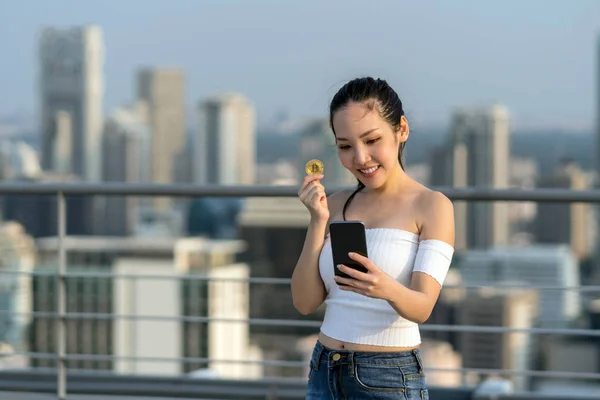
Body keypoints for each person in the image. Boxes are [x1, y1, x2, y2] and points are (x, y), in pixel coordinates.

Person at [292, 77, 455, 400]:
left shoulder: (432, 206)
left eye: (371, 140)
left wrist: (384, 287)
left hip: (388, 375)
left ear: (402, 130)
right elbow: (305, 302)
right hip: (325, 369)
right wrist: (317, 221)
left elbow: (422, 308)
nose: (361, 158)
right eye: (345, 146)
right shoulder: (335, 204)